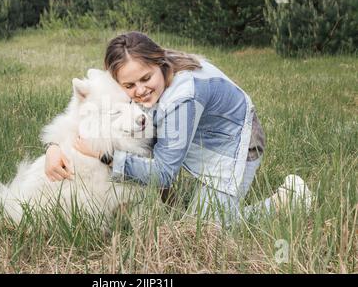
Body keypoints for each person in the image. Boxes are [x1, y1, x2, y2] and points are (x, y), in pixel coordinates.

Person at [44, 31, 311, 224]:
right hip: (192, 137)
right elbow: (90, 108)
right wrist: (54, 146)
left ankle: (288, 200)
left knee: (204, 228)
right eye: (129, 86)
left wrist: (105, 156)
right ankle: (181, 201)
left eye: (145, 79)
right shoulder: (142, 64)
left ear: (158, 63)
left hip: (234, 143)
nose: (139, 90)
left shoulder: (182, 98)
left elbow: (163, 174)